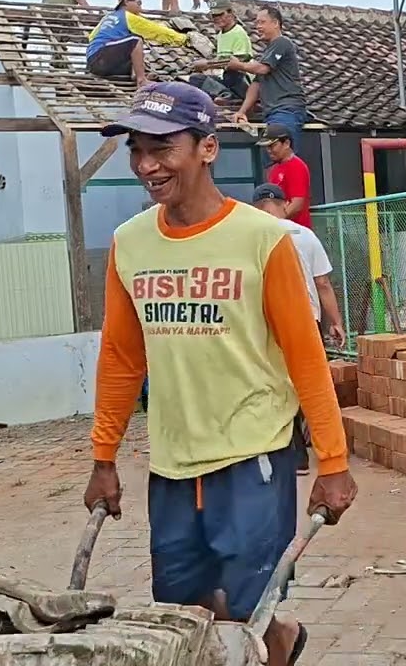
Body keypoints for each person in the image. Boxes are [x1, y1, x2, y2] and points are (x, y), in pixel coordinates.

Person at [82, 81, 358, 666]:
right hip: (173, 460)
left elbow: (306, 357)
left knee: (244, 605)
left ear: (208, 148)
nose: (146, 165)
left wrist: (332, 463)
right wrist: (103, 457)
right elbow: (122, 358)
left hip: (252, 452)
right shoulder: (129, 244)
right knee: (184, 607)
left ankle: (271, 641)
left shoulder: (263, 240)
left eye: (163, 148)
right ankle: (283, 640)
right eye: (137, 149)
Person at [252, 182, 345, 475]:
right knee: (311, 382)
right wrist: (337, 322)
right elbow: (323, 283)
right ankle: (325, 449)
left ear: (256, 208)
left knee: (279, 384)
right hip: (308, 320)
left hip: (269, 324)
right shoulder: (306, 235)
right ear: (284, 204)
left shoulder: (253, 237)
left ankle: (294, 456)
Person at [232, 6, 309, 147]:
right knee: (272, 157)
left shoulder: (282, 43)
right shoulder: (267, 53)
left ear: (275, 23)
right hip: (273, 114)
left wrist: (238, 65)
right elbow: (256, 85)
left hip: (286, 110)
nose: (258, 27)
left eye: (262, 22)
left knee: (281, 154)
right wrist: (242, 112)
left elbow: (262, 69)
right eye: (256, 23)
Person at [87, 0, 188, 87]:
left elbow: (91, 37)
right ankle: (141, 79)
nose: (140, 8)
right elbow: (156, 30)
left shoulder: (107, 17)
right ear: (126, 1)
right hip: (101, 56)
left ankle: (135, 74)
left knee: (136, 56)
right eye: (138, 3)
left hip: (94, 62)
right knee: (135, 40)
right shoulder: (128, 16)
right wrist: (183, 39)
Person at [188, 0, 253, 102]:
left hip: (243, 82)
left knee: (232, 74)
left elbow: (238, 63)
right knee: (196, 78)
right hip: (227, 80)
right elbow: (220, 60)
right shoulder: (220, 35)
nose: (217, 18)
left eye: (220, 14)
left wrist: (208, 64)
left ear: (230, 13)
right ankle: (225, 94)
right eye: (214, 15)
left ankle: (227, 96)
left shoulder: (239, 33)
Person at [259, 123, 312, 227]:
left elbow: (297, 204)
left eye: (272, 146)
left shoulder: (297, 166)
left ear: (286, 143)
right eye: (267, 147)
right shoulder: (274, 169)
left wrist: (276, 220)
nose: (269, 150)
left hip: (296, 230)